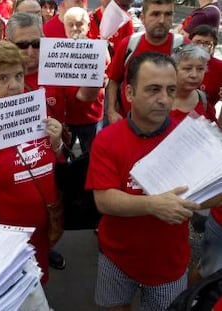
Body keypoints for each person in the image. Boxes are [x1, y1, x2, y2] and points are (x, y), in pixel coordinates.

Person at [86, 52, 204, 310]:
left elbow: (210, 194)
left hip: (169, 265)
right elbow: (104, 199)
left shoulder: (191, 138)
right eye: (153, 89)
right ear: (128, 93)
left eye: (170, 90)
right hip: (116, 258)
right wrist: (154, 205)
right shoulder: (107, 139)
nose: (164, 99)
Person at [0, 40, 63, 285]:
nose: (14, 86)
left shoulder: (37, 110)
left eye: (18, 75)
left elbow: (56, 161)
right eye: (3, 78)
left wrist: (57, 142)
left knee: (38, 286)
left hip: (41, 229)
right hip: (4, 236)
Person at [106, 0, 185, 125]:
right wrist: (111, 111)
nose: (161, 20)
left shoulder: (184, 47)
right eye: (155, 14)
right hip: (129, 124)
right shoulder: (128, 45)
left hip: (170, 129)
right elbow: (114, 80)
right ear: (142, 18)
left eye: (168, 14)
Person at [62, 6, 104, 154]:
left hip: (91, 118)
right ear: (64, 27)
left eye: (79, 24)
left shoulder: (100, 50)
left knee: (92, 157)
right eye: (70, 24)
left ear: (88, 26)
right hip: (65, 118)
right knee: (63, 158)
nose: (75, 28)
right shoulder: (56, 51)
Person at [170, 43, 216, 123]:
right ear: (174, 69)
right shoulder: (158, 99)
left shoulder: (203, 100)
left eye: (200, 69)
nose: (194, 75)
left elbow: (215, 133)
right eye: (187, 68)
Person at [188, 25, 222, 125]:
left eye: (207, 43)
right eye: (197, 42)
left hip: (206, 125)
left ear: (213, 48)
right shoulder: (177, 64)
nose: (201, 47)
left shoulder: (220, 68)